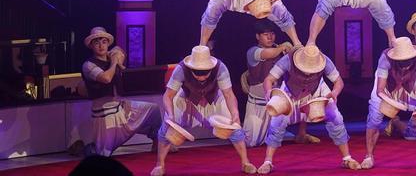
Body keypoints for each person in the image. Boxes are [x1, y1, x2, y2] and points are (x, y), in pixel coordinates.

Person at [151, 46, 254, 176]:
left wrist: (235, 113)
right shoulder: (181, 69)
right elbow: (168, 95)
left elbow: (228, 94)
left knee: (235, 126)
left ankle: (245, 162)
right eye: (198, 73)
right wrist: (170, 115)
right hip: (187, 99)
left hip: (213, 99)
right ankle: (160, 165)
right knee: (166, 127)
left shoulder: (220, 68)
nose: (202, 77)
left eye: (205, 73)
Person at [261, 45, 360, 172]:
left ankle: (347, 158)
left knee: (336, 117)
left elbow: (339, 81)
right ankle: (268, 162)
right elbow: (268, 79)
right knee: (277, 121)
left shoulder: (325, 60)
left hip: (317, 90)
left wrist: (334, 93)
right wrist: (269, 92)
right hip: (291, 92)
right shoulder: (287, 60)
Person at [362, 37, 416, 169]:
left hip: (410, 83)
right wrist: (393, 103)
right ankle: (369, 155)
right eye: (402, 61)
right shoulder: (385, 59)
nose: (405, 63)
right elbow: (379, 90)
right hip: (387, 86)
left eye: (407, 60)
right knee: (374, 118)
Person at [81, 27, 160, 157]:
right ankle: (87, 149)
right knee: (101, 155)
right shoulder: (88, 65)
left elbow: (121, 55)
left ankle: (157, 141)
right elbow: (106, 78)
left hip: (121, 108)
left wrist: (118, 56)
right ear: (91, 46)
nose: (101, 46)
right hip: (105, 115)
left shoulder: (112, 57)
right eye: (97, 42)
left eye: (104, 42)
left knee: (154, 109)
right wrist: (114, 62)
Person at [242, 20, 311, 147]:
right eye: (265, 34)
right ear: (258, 36)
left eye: (272, 34)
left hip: (278, 102)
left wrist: (290, 55)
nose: (270, 37)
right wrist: (283, 47)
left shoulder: (279, 50)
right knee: (251, 142)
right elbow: (269, 54)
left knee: (306, 95)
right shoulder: (253, 51)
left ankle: (302, 133)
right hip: (259, 103)